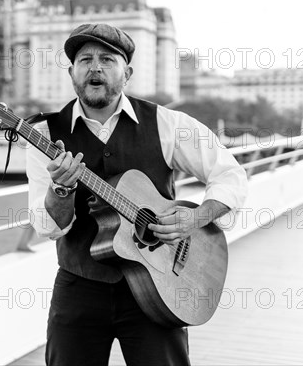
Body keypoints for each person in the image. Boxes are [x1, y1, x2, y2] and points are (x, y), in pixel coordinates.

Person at [25, 23, 248, 366]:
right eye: (84, 59)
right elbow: (48, 227)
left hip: (162, 286)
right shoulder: (44, 136)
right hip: (80, 288)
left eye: (107, 59)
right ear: (72, 73)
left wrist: (195, 217)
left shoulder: (167, 123)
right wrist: (61, 188)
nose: (95, 67)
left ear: (126, 72)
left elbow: (230, 174)